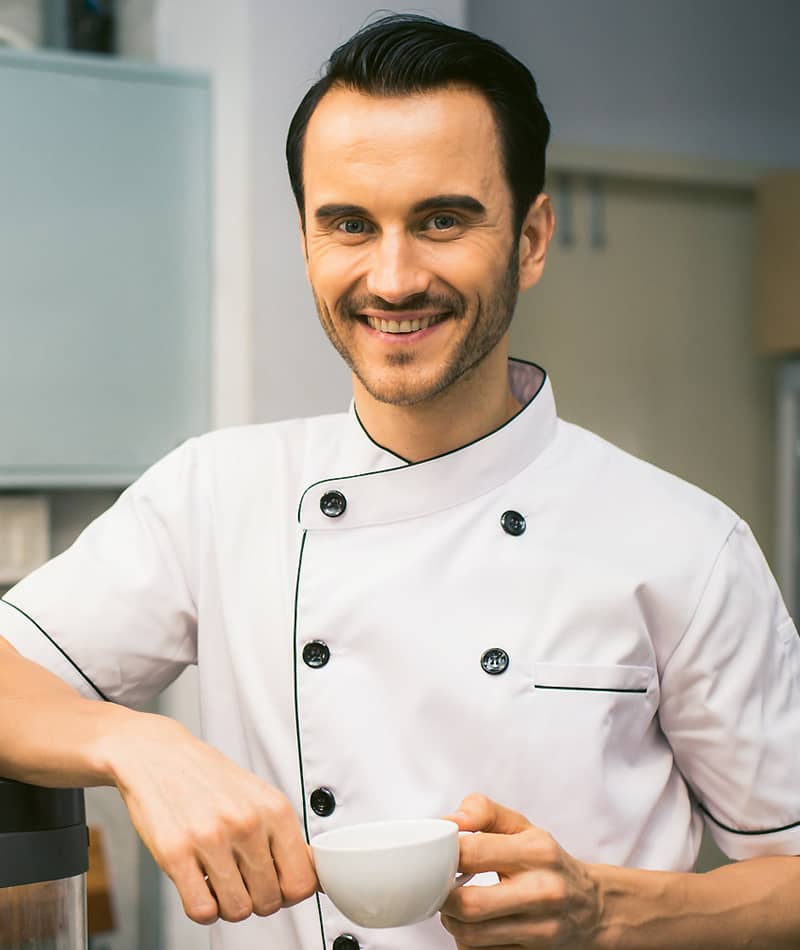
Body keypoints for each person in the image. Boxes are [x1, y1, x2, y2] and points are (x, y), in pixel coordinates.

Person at [1, 13, 799, 950]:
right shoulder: (218, 493)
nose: (393, 275)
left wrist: (604, 908)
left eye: (443, 220)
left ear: (532, 239)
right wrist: (139, 745)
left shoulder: (685, 544)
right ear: (306, 241)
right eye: (349, 224)